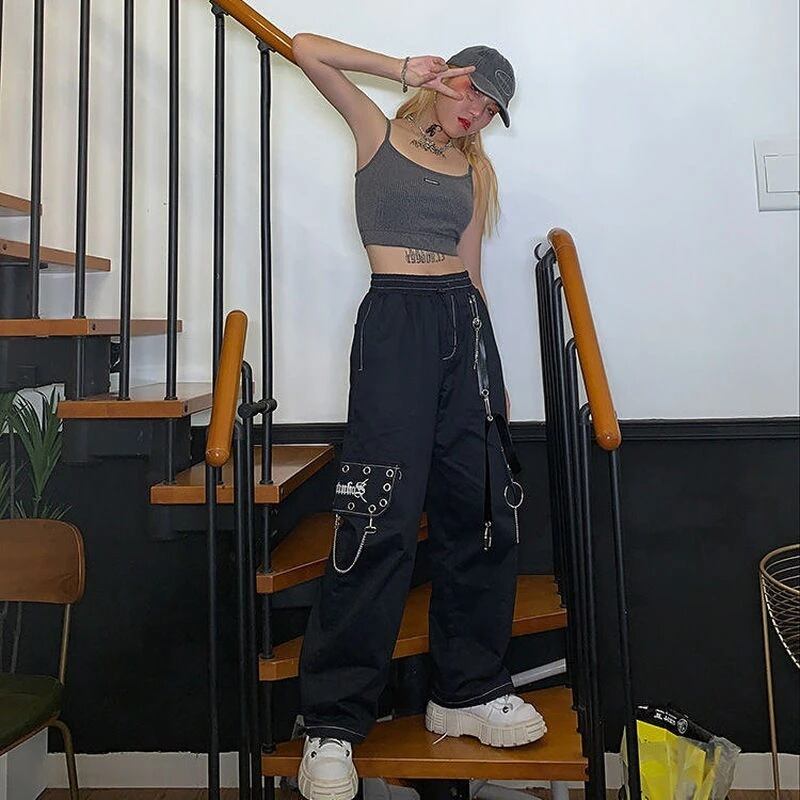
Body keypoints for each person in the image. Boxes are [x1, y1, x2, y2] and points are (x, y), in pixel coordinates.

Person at [290, 32, 545, 800]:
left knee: (482, 510)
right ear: (447, 79)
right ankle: (333, 725)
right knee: (376, 521)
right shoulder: (377, 131)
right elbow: (305, 49)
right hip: (396, 325)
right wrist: (400, 69)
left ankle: (467, 690)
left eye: (492, 110)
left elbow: (474, 274)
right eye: (473, 93)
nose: (478, 113)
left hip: (463, 329)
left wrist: (494, 373)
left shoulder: (475, 173)